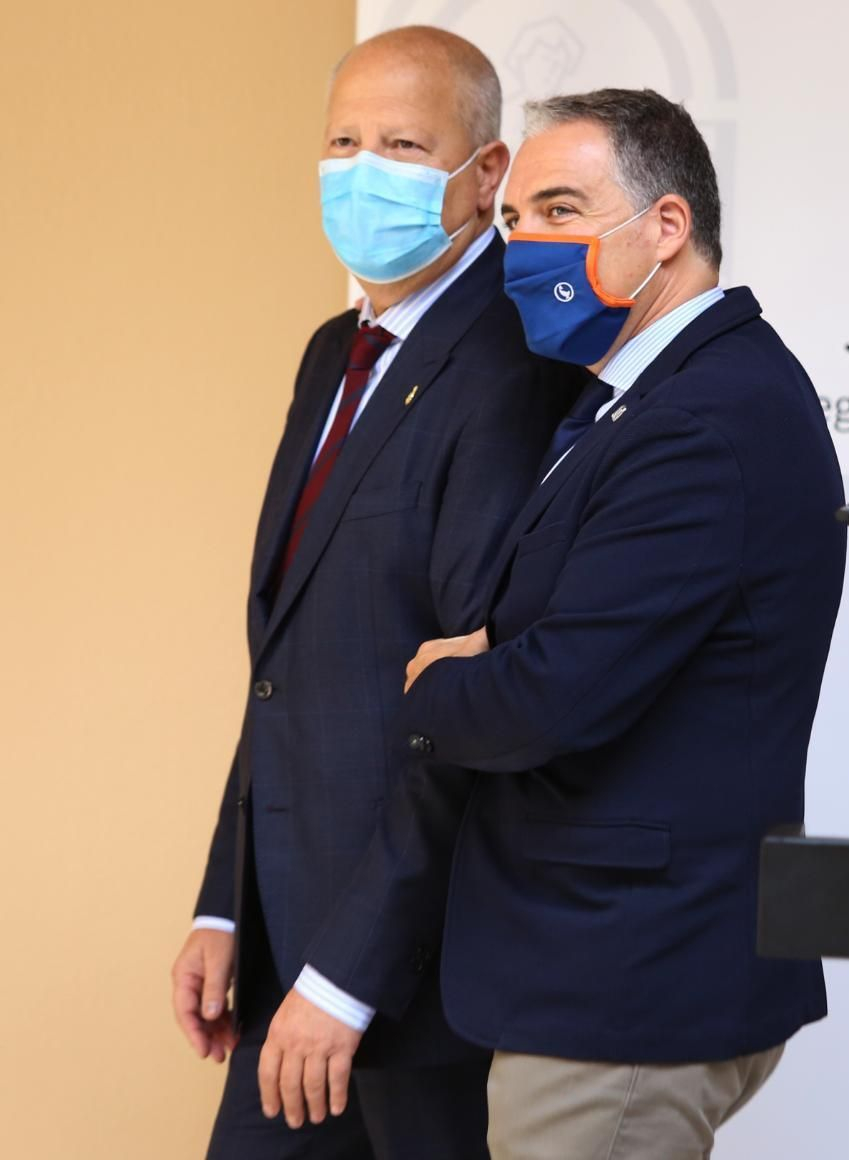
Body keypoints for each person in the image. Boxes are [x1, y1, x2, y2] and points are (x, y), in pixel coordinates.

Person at [254, 87, 847, 1158]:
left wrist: (439, 682)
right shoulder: (632, 397)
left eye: (562, 210)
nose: (527, 244)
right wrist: (502, 659)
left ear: (666, 228)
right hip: (594, 976)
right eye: (517, 219)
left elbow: (547, 696)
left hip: (621, 990)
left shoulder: (706, 420)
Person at [169, 26, 580, 1158]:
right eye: (343, 140)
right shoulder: (330, 354)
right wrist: (225, 903)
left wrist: (348, 976)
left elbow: (470, 704)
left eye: (403, 143)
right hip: (283, 960)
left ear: (486, 173)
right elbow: (286, 663)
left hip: (406, 986)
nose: (363, 169)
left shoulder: (508, 365)